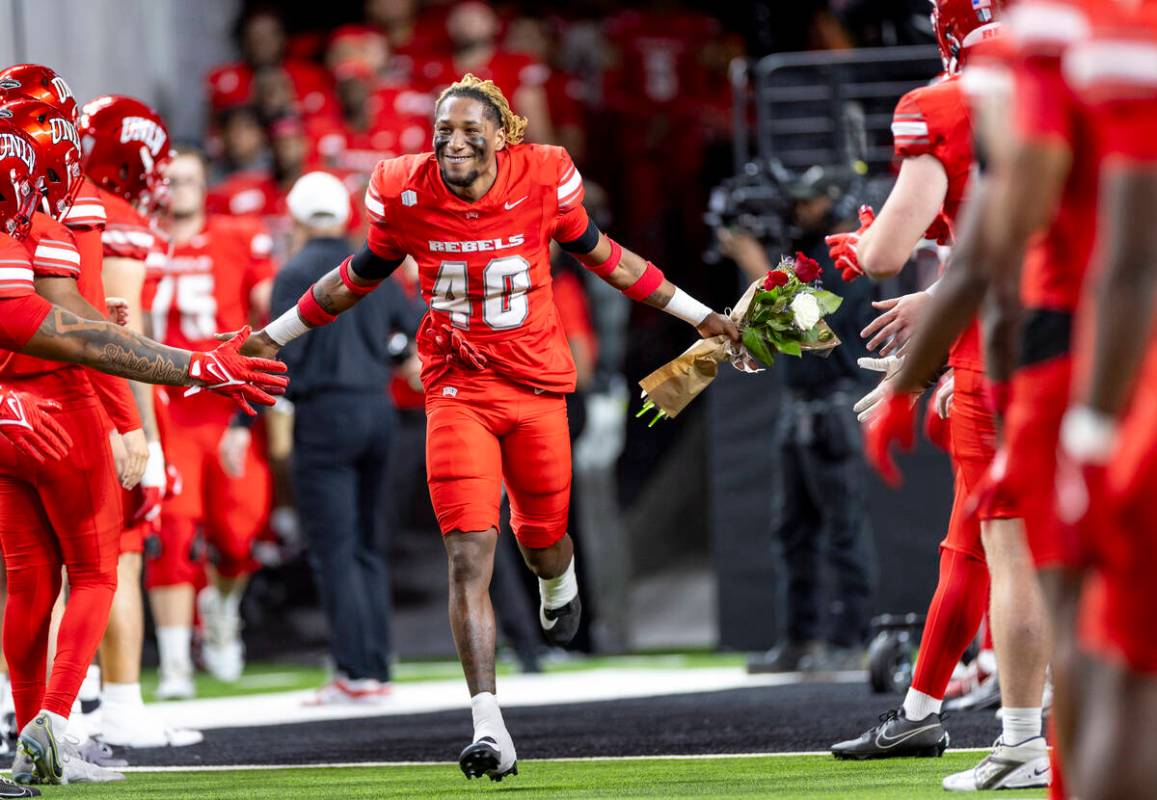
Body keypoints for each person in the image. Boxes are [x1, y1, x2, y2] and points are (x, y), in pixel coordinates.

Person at [240, 73, 739, 781]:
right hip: (457, 389)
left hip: (535, 387)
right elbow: (355, 277)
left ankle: (555, 583)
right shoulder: (404, 190)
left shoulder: (543, 177)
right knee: (468, 553)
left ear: (504, 135)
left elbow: (612, 261)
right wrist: (276, 334)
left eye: (471, 129)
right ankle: (487, 726)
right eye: (442, 131)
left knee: (542, 537)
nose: (453, 142)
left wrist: (698, 315)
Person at [0, 116, 286, 788]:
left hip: (13, 422)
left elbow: (75, 324)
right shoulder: (45, 230)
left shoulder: (29, 237)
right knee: (95, 572)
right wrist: (184, 375)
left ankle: (26, 724)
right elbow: (81, 338)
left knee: (27, 583)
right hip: (58, 413)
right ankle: (57, 720)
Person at [825, 1, 1053, 791]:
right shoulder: (1088, 81)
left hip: (1003, 350)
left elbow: (886, 253)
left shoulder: (942, 105)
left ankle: (1023, 738)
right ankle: (922, 712)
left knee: (1010, 552)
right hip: (1100, 343)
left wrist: (861, 245)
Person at [76, 93, 203, 749]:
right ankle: (114, 703)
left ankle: (62, 706)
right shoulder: (112, 216)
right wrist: (147, 436)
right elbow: (122, 337)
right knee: (114, 560)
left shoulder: (44, 209)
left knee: (43, 566)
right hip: (93, 405)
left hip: (41, 399)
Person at [723, 171, 878, 674]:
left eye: (809, 201)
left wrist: (758, 269)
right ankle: (800, 638)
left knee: (843, 529)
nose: (798, 211)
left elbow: (816, 328)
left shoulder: (850, 259)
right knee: (792, 531)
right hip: (798, 408)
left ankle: (849, 639)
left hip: (834, 405)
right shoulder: (803, 256)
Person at [273, 171, 419, 703]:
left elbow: (280, 357)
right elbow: (413, 326)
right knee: (369, 548)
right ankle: (377, 667)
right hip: (378, 412)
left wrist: (248, 424)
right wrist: (396, 352)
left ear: (294, 218)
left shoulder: (293, 273)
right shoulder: (373, 267)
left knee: (335, 549)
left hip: (325, 417)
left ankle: (354, 674)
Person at [147, 147, 276, 699]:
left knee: (238, 532)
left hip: (225, 405)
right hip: (165, 406)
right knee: (172, 532)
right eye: (170, 180)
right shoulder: (136, 240)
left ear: (206, 185)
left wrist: (249, 418)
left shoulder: (238, 235)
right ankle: (176, 662)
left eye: (189, 180)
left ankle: (222, 606)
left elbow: (269, 318)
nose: (179, 189)